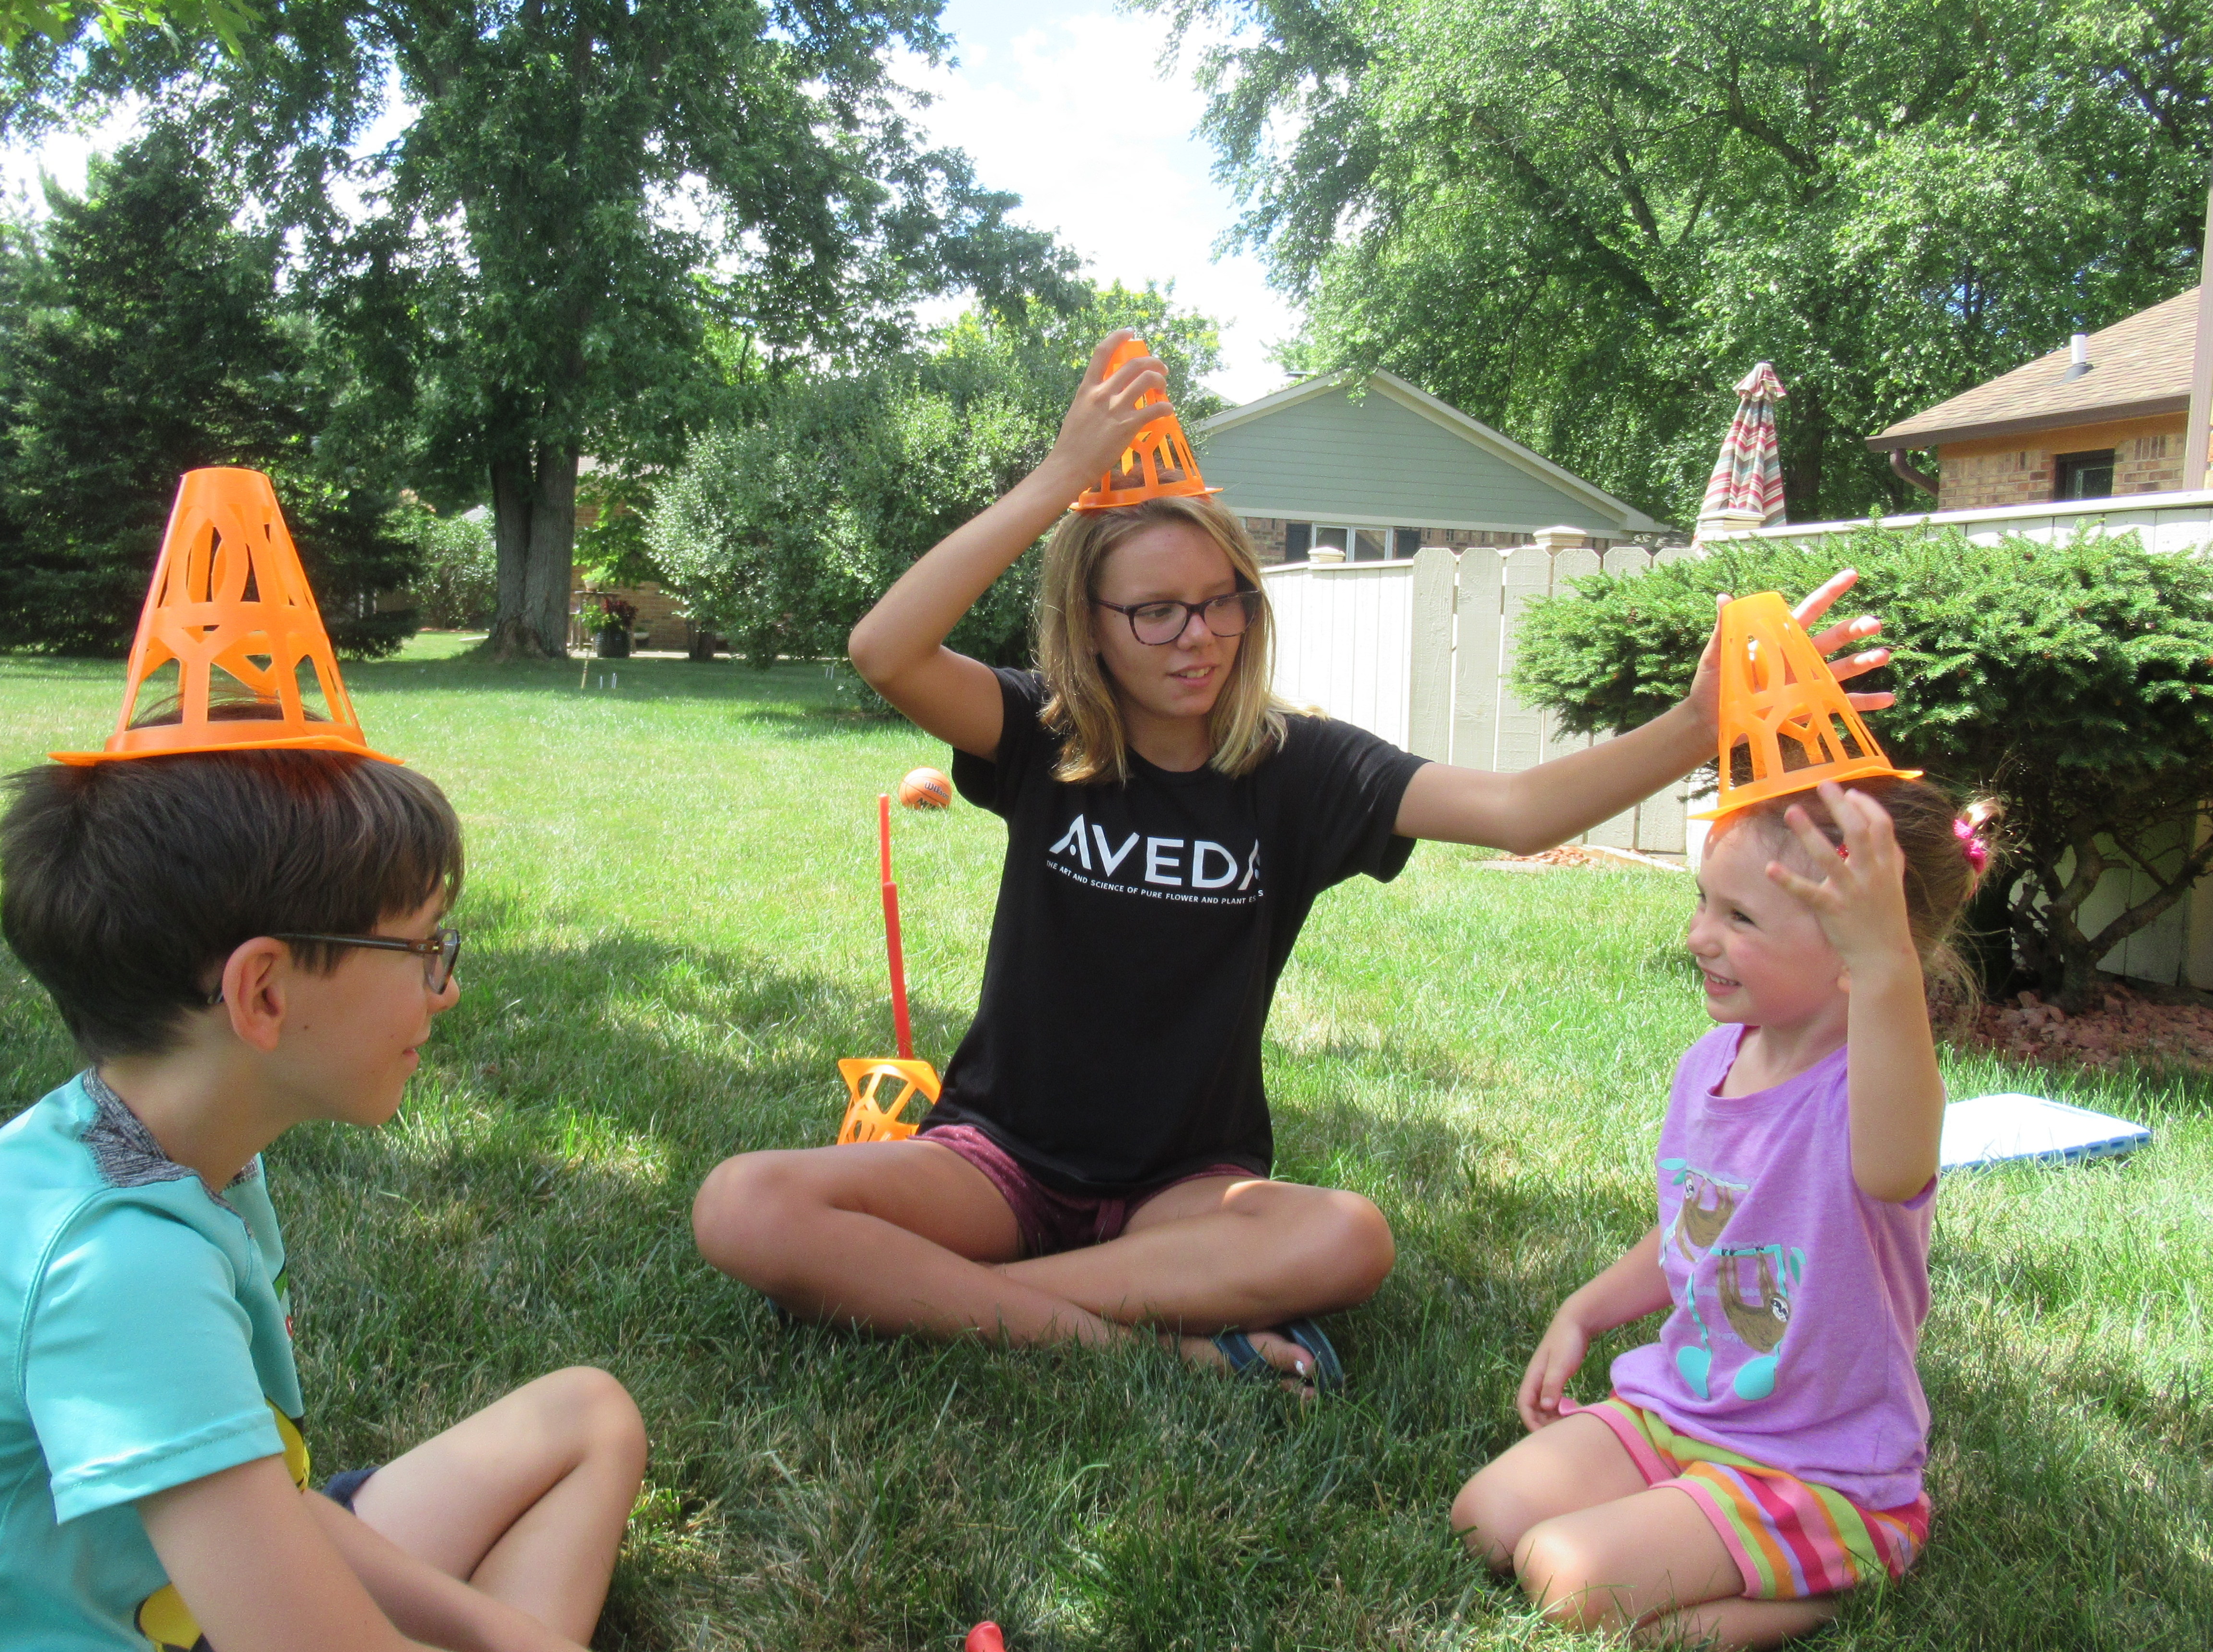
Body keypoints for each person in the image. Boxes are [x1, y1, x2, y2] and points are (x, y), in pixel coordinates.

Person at [691, 330, 1893, 1390]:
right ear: (1088, 629)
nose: (1198, 636)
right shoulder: (1041, 737)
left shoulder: (1301, 769)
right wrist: (1060, 479)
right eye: (1154, 611)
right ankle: (1123, 1339)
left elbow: (1520, 812)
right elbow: (884, 649)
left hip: (1183, 1190)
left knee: (1346, 1238)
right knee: (743, 1203)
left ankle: (953, 1298)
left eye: (1223, 601)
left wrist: (1694, 724)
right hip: (997, 1162)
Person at [0, 734, 647, 1652]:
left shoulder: (171, 1154)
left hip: (184, 1585)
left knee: (588, 1415)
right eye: (424, 947)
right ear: (263, 992)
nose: (448, 989)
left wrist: (503, 1632)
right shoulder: (117, 1267)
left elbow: (268, 1491)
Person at [1449, 776, 1988, 1647]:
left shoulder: (1875, 1095)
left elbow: (1895, 1166)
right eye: (1706, 901)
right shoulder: (1711, 1062)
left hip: (1811, 1463)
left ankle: (1859, 1556)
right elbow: (1697, 1227)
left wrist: (1888, 961)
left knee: (1564, 1575)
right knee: (1486, 1518)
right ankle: (1695, 1522)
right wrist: (1584, 1310)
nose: (1700, 935)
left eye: (1740, 918)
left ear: (1855, 951)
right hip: (1682, 1412)